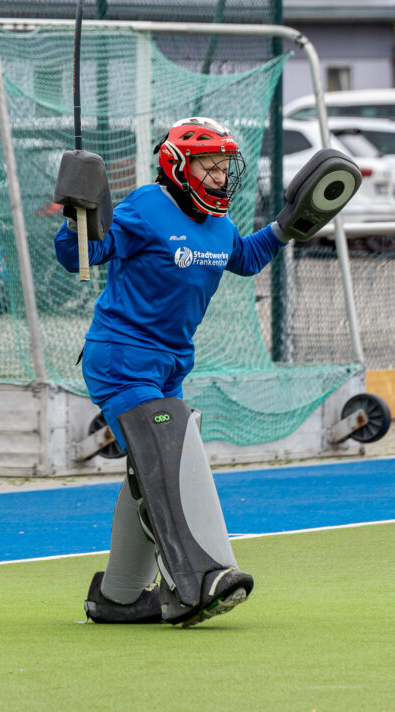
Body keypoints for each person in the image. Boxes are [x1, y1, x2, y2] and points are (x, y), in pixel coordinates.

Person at [54, 116, 290, 627]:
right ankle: (202, 579)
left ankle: (116, 599)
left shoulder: (220, 225)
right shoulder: (145, 206)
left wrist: (286, 226)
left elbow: (244, 258)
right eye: (210, 165)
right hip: (121, 359)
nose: (221, 177)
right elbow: (85, 257)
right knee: (166, 458)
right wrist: (77, 216)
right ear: (179, 166)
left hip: (169, 368)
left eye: (226, 166)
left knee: (152, 468)